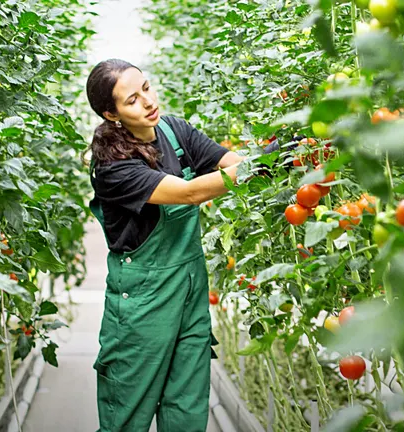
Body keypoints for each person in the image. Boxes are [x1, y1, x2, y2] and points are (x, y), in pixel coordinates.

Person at [85, 58, 279, 432]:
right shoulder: (112, 167)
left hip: (190, 290)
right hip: (143, 301)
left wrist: (274, 158)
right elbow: (189, 193)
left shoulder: (175, 132)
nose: (147, 101)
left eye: (146, 87)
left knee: (187, 408)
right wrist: (261, 163)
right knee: (128, 411)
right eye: (131, 100)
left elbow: (231, 162)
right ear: (111, 114)